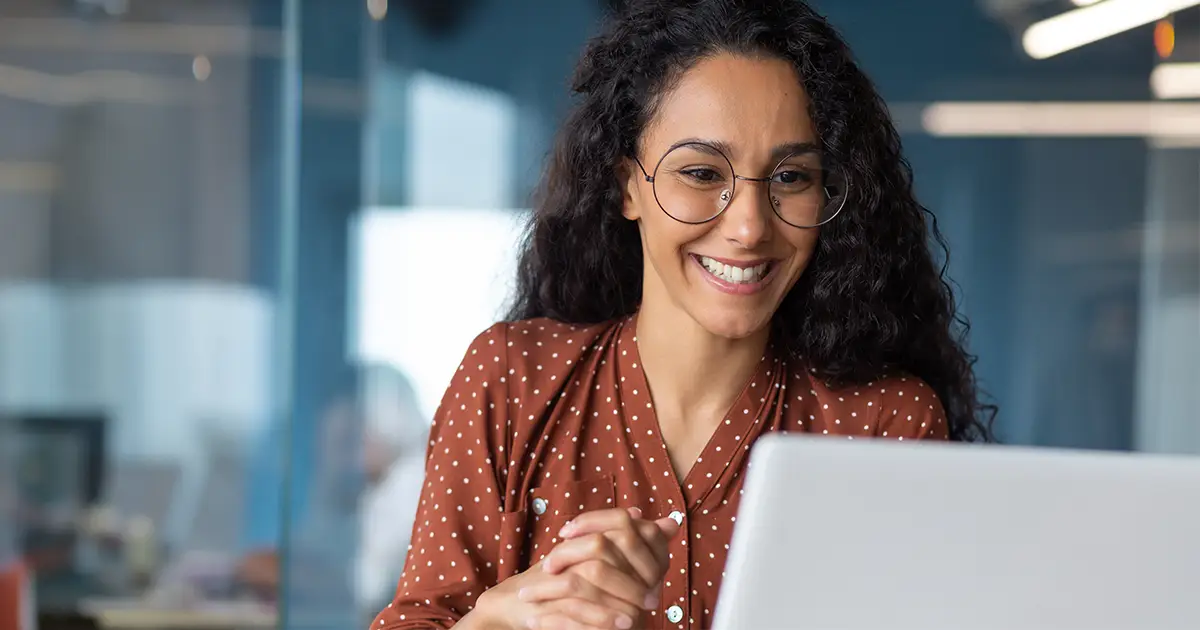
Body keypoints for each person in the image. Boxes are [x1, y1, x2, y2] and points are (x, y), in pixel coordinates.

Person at [373, 1, 993, 628]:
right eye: (700, 172)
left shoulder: (883, 423)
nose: (750, 227)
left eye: (791, 177)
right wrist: (500, 618)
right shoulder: (510, 380)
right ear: (626, 187)